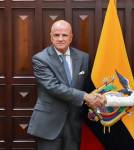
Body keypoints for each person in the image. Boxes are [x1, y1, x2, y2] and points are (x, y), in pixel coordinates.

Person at [27, 20, 99, 150]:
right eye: (56, 35)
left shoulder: (84, 58)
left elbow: (87, 86)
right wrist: (85, 96)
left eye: (64, 35)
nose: (60, 39)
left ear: (71, 37)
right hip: (49, 124)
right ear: (51, 37)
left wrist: (95, 103)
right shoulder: (40, 59)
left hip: (74, 124)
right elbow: (53, 87)